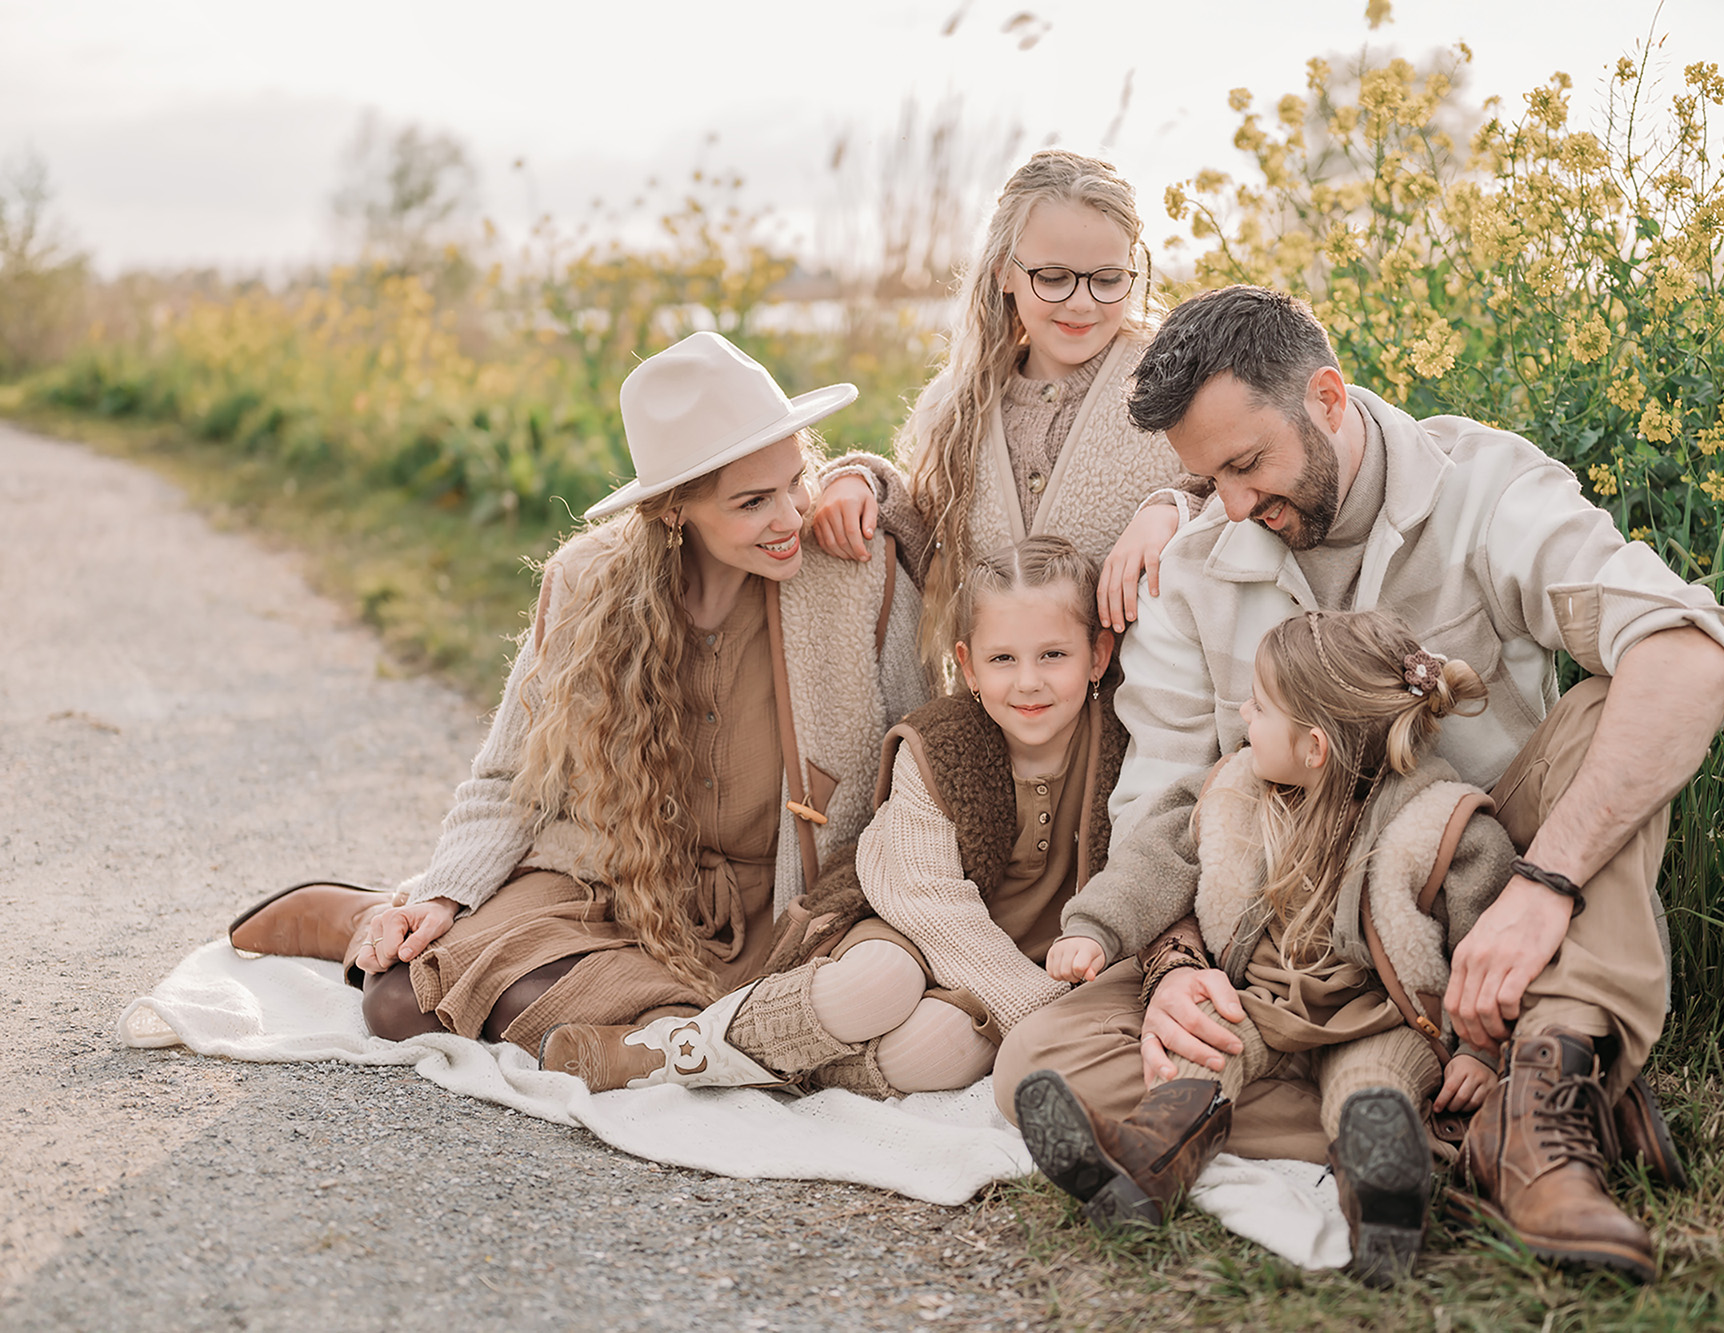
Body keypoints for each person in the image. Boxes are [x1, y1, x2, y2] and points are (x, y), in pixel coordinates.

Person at [993, 285, 1724, 1285]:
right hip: (1286, 935)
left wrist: (1542, 887)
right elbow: (1163, 793)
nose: (1228, 505)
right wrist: (1175, 962)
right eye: (1200, 479)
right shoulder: (1197, 557)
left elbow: (1691, 652)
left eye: (1244, 463)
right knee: (1034, 1066)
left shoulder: (1483, 490)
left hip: (1466, 882)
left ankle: (1545, 1081)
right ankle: (1472, 1119)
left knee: (1619, 700)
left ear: (1327, 397)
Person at [227, 331, 924, 1061]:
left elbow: (919, 753)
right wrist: (445, 893)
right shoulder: (587, 586)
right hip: (617, 888)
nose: (789, 517)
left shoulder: (853, 573)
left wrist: (864, 478)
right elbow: (510, 779)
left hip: (784, 910)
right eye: (753, 502)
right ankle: (383, 916)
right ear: (673, 511)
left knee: (762, 1020)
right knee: (403, 1002)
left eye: (797, 479)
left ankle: (645, 1036)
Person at [1016, 610, 1513, 1286]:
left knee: (1373, 1090)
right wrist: (1093, 927)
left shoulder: (1442, 825)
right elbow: (1155, 860)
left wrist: (1483, 1050)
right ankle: (1145, 1159)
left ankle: (1383, 1199)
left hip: (1375, 1016)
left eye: (1259, 703)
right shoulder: (1235, 789)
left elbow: (1488, 945)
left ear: (1313, 747)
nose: (1243, 710)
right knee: (1203, 1047)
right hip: (1265, 1002)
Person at [538, 535, 1125, 1097]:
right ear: (968, 668)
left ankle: (785, 1068)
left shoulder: (1124, 749)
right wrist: (1043, 1010)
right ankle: (669, 1051)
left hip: (1035, 964)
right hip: (909, 926)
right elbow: (929, 902)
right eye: (1004, 658)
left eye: (1054, 655)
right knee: (879, 984)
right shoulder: (943, 748)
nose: (1028, 681)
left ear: (1097, 655)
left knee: (934, 1049)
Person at [809, 148, 1191, 680]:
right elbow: (928, 548)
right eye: (1054, 277)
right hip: (1004, 725)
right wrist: (861, 483)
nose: (1081, 303)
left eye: (1107, 280)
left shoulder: (1173, 387)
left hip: (1145, 727)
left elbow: (1240, 496)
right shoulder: (955, 409)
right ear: (1002, 274)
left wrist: (1175, 508)